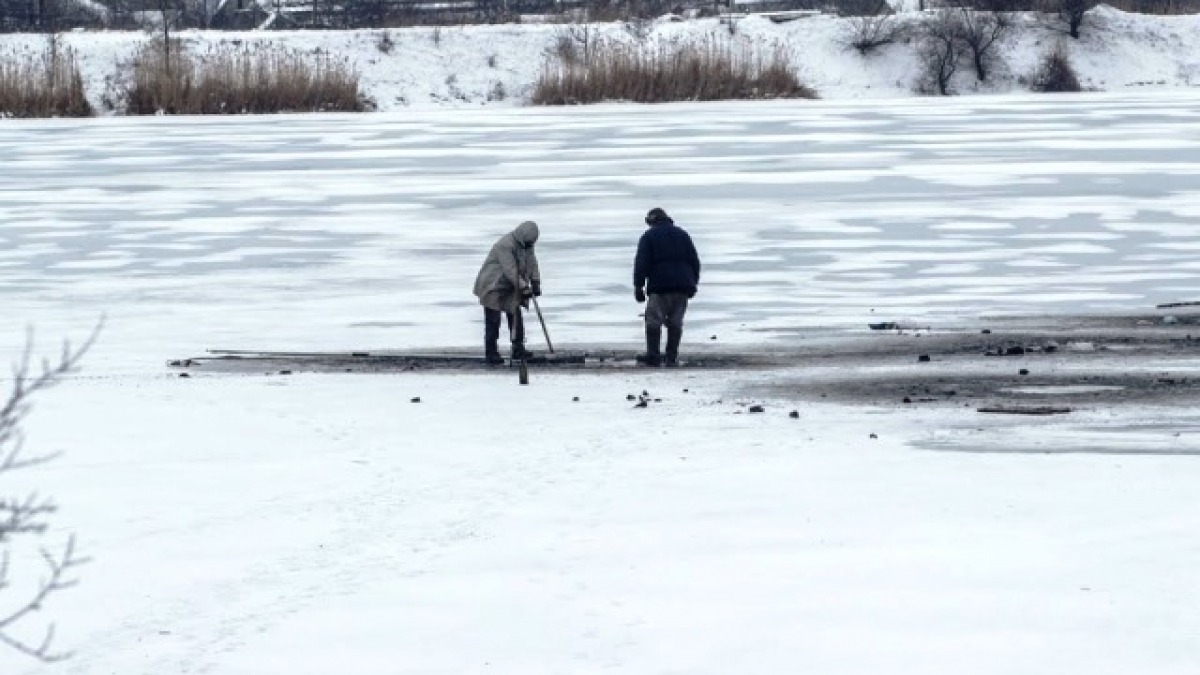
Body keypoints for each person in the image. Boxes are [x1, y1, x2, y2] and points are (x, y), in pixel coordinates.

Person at [633, 207, 701, 367]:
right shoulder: (683, 235)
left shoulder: (649, 236)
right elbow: (695, 262)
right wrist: (692, 283)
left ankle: (653, 355)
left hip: (660, 285)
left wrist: (638, 286)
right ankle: (671, 356)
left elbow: (641, 262)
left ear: (652, 221)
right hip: (683, 286)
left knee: (653, 321)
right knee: (676, 322)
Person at [474, 221, 541, 364]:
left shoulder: (526, 245)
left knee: (515, 315)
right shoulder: (505, 245)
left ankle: (518, 348)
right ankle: (491, 353)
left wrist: (535, 281)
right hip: (493, 285)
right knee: (493, 320)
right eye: (529, 243)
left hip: (511, 286)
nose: (531, 246)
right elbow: (510, 270)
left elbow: (532, 262)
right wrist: (524, 287)